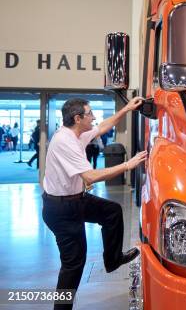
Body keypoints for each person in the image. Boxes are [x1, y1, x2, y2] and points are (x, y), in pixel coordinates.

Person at [42, 97, 147, 310]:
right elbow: (90, 176)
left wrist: (127, 108)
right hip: (61, 209)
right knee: (73, 266)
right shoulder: (65, 141)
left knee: (112, 212)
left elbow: (101, 127)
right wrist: (128, 164)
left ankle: (113, 259)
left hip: (76, 200)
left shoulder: (76, 133)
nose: (94, 117)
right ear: (78, 118)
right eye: (90, 114)